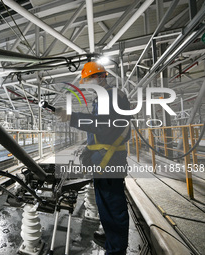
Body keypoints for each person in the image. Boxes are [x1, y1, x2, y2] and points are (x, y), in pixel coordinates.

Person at [56, 61, 131, 255]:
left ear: (100, 77)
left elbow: (102, 125)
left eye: (88, 80)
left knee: (112, 204)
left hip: (110, 160)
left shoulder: (110, 96)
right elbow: (104, 130)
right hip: (106, 157)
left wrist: (72, 117)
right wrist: (89, 147)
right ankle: (112, 238)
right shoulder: (107, 97)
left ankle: (116, 249)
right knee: (105, 203)